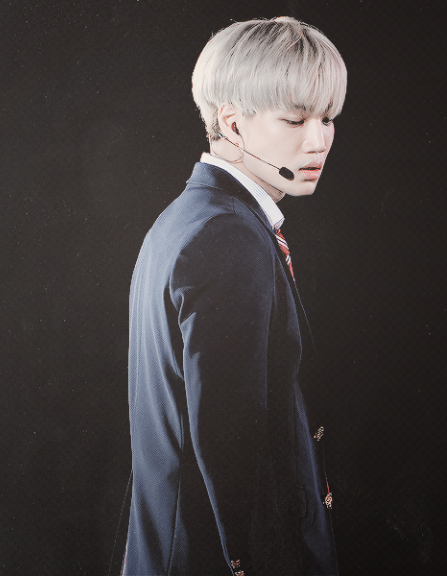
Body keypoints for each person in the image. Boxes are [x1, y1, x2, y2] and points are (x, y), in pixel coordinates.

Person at [121, 16, 347, 576]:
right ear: (232, 124)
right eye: (294, 119)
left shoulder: (189, 218)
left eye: (327, 118)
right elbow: (232, 447)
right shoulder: (227, 236)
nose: (318, 140)